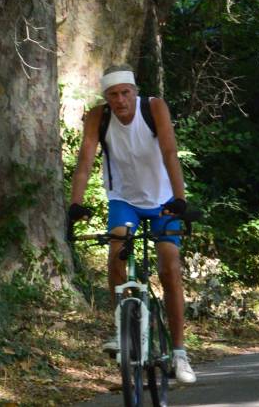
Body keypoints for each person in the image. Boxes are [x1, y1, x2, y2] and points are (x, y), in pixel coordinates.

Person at [67, 65, 196, 384]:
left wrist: (179, 199)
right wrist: (75, 204)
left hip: (163, 200)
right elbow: (85, 162)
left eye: (125, 92)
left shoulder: (154, 108)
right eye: (113, 95)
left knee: (169, 267)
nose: (120, 100)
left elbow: (169, 152)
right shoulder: (99, 117)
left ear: (134, 92)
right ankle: (122, 329)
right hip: (123, 199)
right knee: (117, 250)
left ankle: (179, 352)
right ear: (106, 98)